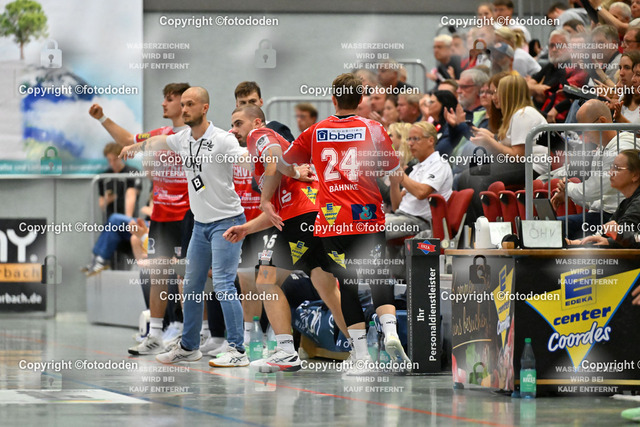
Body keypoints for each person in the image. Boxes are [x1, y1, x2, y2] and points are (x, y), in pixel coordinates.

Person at [273, 73, 412, 374]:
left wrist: (297, 173)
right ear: (361, 99)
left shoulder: (314, 131)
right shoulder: (373, 128)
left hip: (332, 222)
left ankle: (361, 357)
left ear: (333, 99)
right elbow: (391, 167)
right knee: (378, 279)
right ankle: (390, 333)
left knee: (347, 286)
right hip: (367, 217)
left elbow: (283, 162)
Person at [119, 87, 247, 365]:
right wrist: (134, 147)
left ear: (205, 108)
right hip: (200, 225)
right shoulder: (182, 138)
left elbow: (247, 160)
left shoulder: (222, 139)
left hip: (227, 221)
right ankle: (189, 346)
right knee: (190, 284)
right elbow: (157, 142)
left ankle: (238, 350)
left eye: (191, 104)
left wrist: (290, 169)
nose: (185, 109)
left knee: (223, 284)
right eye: (184, 104)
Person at [224, 105, 348, 373]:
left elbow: (274, 158)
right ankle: (361, 349)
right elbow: (278, 212)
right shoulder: (267, 151)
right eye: (232, 125)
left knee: (265, 279)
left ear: (257, 121)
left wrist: (276, 187)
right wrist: (246, 229)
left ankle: (286, 352)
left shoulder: (259, 135)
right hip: (318, 215)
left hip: (301, 217)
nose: (233, 130)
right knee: (326, 286)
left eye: (238, 123)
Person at [89, 83, 194, 356]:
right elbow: (128, 139)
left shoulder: (194, 136)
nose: (163, 104)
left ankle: (190, 334)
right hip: (161, 216)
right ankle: (155, 334)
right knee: (157, 273)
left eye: (169, 99)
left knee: (186, 276)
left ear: (184, 104)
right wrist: (102, 118)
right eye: (163, 98)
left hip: (187, 216)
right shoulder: (158, 133)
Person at [458, 73, 548, 223]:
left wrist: (490, 142)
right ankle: (473, 228)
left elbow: (518, 155)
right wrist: (491, 137)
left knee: (476, 177)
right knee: (465, 176)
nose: (494, 98)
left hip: (534, 167)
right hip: (524, 165)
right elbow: (510, 147)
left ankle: (487, 226)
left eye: (496, 93)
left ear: (508, 94)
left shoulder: (523, 114)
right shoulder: (517, 115)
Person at [552, 100, 637, 239]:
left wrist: (569, 189)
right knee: (551, 227)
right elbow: (596, 197)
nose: (584, 135)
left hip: (615, 219)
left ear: (602, 121)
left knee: (553, 228)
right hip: (602, 215)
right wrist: (570, 194)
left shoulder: (620, 149)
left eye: (586, 128)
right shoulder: (603, 148)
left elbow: (594, 190)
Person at [386, 122, 453, 240]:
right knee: (363, 224)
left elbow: (421, 193)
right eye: (409, 139)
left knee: (373, 229)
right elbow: (397, 207)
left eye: (416, 139)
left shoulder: (439, 164)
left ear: (430, 141)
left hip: (420, 222)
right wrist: (394, 184)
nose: (410, 143)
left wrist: (400, 173)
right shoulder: (416, 169)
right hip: (401, 217)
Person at [566, 149, 640, 247]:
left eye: (617, 168)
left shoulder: (637, 203)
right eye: (611, 168)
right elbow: (602, 235)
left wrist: (610, 241)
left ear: (635, 175)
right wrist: (575, 243)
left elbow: (627, 239)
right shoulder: (626, 203)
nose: (610, 173)